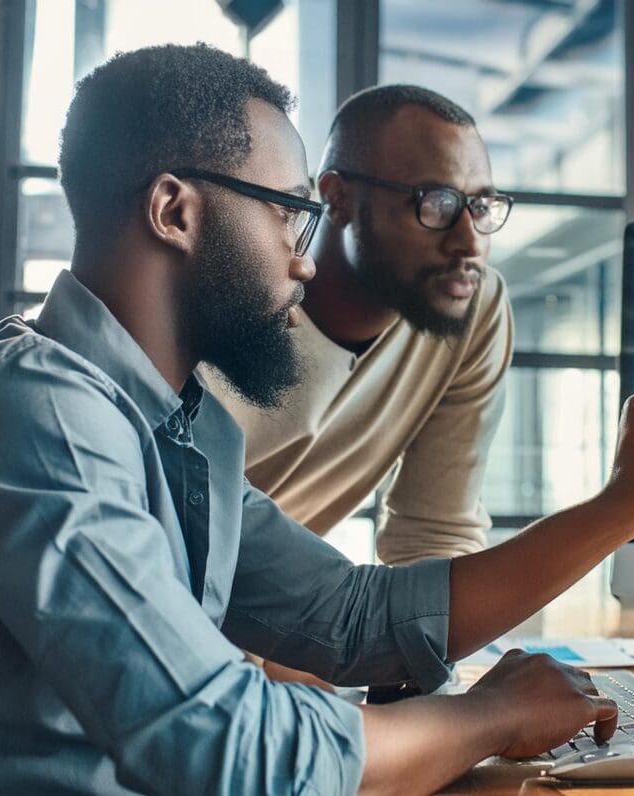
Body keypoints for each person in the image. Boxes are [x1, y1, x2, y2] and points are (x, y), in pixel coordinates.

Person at [0, 45, 634, 795]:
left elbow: (352, 619)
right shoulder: (42, 416)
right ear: (173, 210)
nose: (304, 261)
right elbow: (225, 749)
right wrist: (486, 716)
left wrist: (630, 502)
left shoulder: (169, 426)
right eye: (287, 213)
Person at [207, 84, 513, 565]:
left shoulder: (474, 307)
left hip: (270, 619)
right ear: (337, 198)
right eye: (437, 203)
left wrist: (449, 639)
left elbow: (434, 537)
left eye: (480, 206)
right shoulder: (231, 306)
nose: (469, 243)